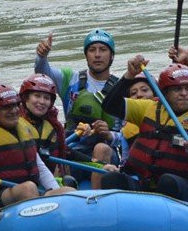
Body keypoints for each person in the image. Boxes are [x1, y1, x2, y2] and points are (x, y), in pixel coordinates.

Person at [98, 57, 188, 206]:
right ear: (165, 93)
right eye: (177, 89)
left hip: (186, 190)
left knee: (167, 181)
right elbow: (109, 106)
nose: (184, 93)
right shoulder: (149, 108)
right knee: (110, 179)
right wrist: (128, 76)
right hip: (148, 185)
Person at [0, 84, 75, 220]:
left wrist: (54, 190)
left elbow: (40, 167)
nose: (14, 111)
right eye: (6, 107)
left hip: (29, 192)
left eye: (16, 105)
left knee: (68, 192)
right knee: (28, 188)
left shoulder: (23, 129)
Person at [34, 29, 123, 160]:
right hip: (73, 148)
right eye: (92, 50)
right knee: (57, 148)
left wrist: (109, 134)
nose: (97, 55)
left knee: (101, 149)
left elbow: (127, 136)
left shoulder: (122, 88)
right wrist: (41, 57)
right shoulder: (69, 79)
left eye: (103, 49)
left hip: (106, 152)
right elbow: (42, 73)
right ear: (86, 55)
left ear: (112, 56)